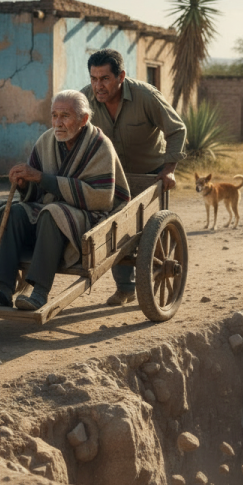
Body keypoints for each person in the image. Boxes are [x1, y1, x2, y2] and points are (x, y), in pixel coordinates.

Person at [0, 90, 130, 311]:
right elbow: (36, 190)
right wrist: (25, 183)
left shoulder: (100, 146)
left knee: (52, 212)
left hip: (88, 216)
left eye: (65, 115)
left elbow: (100, 198)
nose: (58, 123)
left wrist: (41, 178)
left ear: (84, 119)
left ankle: (39, 293)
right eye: (54, 115)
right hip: (51, 210)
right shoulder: (46, 141)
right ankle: (4, 291)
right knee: (18, 212)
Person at [81, 48, 186, 305]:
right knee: (114, 228)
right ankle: (126, 288)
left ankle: (145, 280)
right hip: (110, 177)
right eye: (94, 79)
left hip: (149, 175)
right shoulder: (85, 100)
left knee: (146, 235)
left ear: (121, 76)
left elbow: (177, 130)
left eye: (105, 78)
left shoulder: (145, 96)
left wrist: (169, 170)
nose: (98, 85)